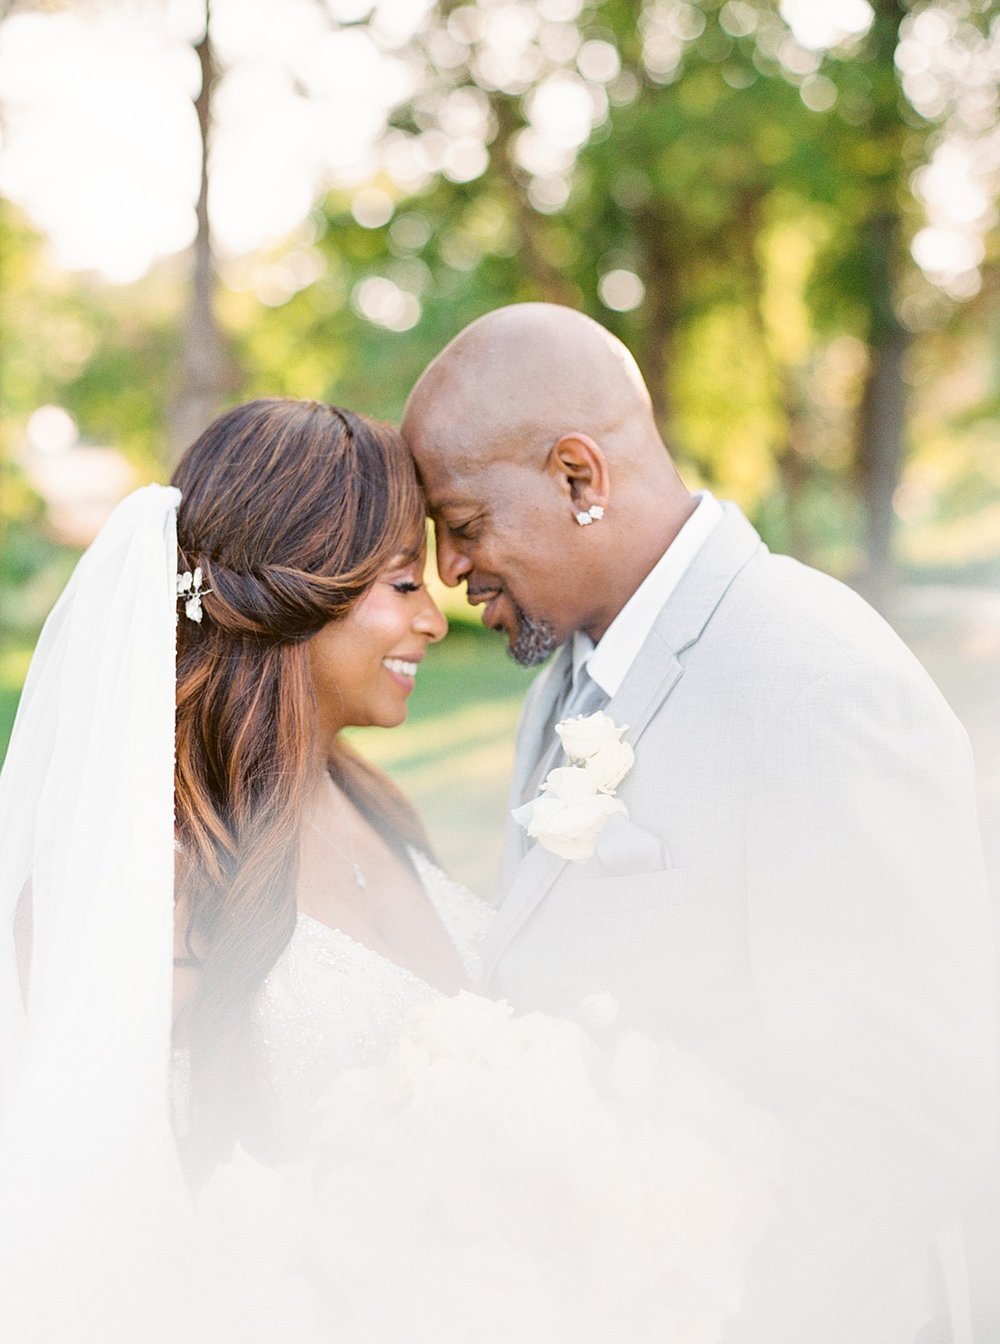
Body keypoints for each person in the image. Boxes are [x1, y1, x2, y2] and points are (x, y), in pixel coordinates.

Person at [402, 302, 997, 1344]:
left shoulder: (815, 682)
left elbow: (911, 1109)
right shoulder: (569, 680)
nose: (452, 572)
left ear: (577, 478)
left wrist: (717, 1315)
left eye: (462, 525)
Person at [0, 398, 489, 1342]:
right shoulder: (159, 877)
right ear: (295, 593)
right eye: (402, 584)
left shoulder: (380, 805)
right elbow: (79, 1206)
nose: (436, 618)